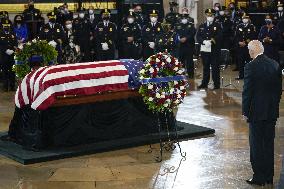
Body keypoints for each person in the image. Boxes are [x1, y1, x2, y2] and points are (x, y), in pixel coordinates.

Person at [242, 40, 282, 186]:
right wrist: (274, 107)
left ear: (252, 52)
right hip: (271, 112)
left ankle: (259, 177)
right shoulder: (275, 64)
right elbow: (278, 91)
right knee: (269, 144)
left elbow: (247, 92)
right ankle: (269, 177)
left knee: (257, 145)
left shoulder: (250, 66)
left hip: (256, 113)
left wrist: (245, 111)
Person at [196, 8, 222, 89]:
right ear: (205, 15)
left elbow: (220, 35)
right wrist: (203, 41)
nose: (209, 16)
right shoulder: (202, 26)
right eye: (208, 15)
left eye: (211, 15)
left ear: (214, 16)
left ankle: (216, 84)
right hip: (205, 50)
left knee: (215, 68)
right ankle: (204, 83)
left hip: (214, 50)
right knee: (205, 67)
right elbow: (198, 36)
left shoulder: (217, 25)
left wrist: (211, 41)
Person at [234, 13, 257, 80]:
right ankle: (241, 75)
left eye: (246, 18)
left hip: (248, 47)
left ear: (248, 19)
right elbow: (236, 36)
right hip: (240, 47)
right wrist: (239, 42)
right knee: (240, 62)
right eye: (244, 18)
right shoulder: (239, 26)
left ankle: (249, 76)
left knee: (248, 62)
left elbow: (253, 36)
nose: (245, 19)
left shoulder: (252, 26)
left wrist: (246, 43)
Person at [175, 10, 196, 78]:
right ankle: (181, 74)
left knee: (189, 61)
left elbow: (193, 33)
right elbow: (175, 33)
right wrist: (179, 39)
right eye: (183, 18)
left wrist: (186, 38)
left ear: (187, 18)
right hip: (180, 46)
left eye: (185, 18)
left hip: (189, 45)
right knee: (181, 61)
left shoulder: (191, 25)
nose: (184, 19)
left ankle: (191, 74)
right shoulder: (177, 25)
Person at [0, 19, 17, 91]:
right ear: (2, 26)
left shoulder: (13, 33)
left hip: (11, 55)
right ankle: (5, 86)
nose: (6, 26)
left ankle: (12, 86)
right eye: (5, 25)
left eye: (8, 25)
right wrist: (5, 50)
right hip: (3, 55)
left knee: (12, 71)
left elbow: (15, 43)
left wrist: (13, 50)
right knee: (4, 71)